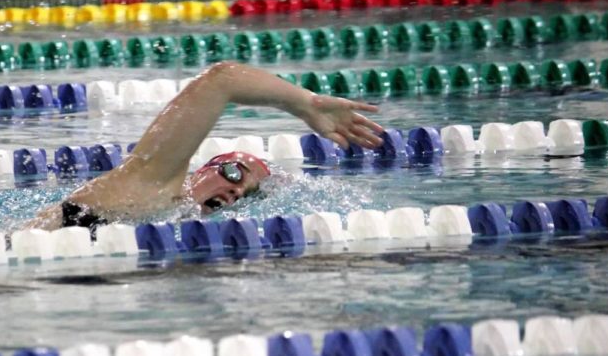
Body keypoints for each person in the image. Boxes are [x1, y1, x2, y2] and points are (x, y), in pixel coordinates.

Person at [27, 61, 384, 232]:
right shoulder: (151, 184)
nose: (235, 190)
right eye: (234, 173)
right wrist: (304, 103)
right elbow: (222, 79)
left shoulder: (177, 225)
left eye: (245, 192)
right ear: (202, 170)